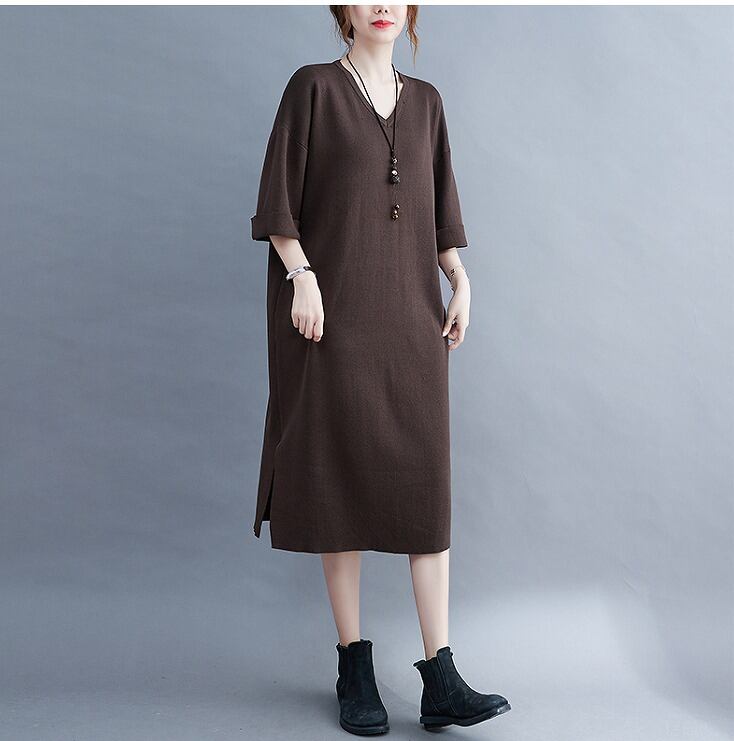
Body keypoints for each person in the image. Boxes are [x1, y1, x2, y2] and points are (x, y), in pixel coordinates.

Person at [250, 5, 511, 735]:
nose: (383, 4)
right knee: (339, 483)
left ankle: (441, 675)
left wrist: (460, 280)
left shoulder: (427, 103)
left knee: (425, 491)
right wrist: (301, 276)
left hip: (411, 322)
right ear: (343, 8)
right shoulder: (313, 88)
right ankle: (353, 666)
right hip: (332, 321)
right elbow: (278, 204)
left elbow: (439, 213)